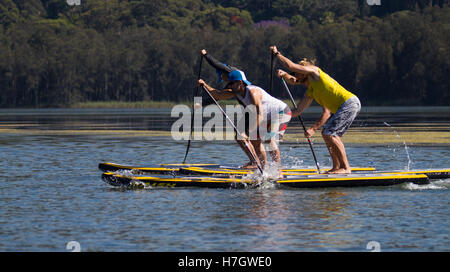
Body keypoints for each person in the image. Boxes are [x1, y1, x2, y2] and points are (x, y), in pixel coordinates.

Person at [270, 45, 361, 174]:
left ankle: (345, 168)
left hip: (349, 103)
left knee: (330, 133)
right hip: (344, 107)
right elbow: (297, 111)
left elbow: (290, 66)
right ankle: (336, 167)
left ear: (304, 70)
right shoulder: (311, 91)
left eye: (298, 71)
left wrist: (277, 54)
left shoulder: (315, 72)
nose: (295, 74)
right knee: (326, 134)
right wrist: (280, 115)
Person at [198, 70, 291, 178]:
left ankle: (279, 171)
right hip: (268, 116)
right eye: (229, 84)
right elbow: (218, 94)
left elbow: (259, 114)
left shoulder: (253, 92)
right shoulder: (236, 92)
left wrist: (249, 132)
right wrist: (204, 85)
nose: (230, 86)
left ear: (240, 83)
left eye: (232, 83)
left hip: (281, 112)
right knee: (255, 141)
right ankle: (264, 170)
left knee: (268, 139)